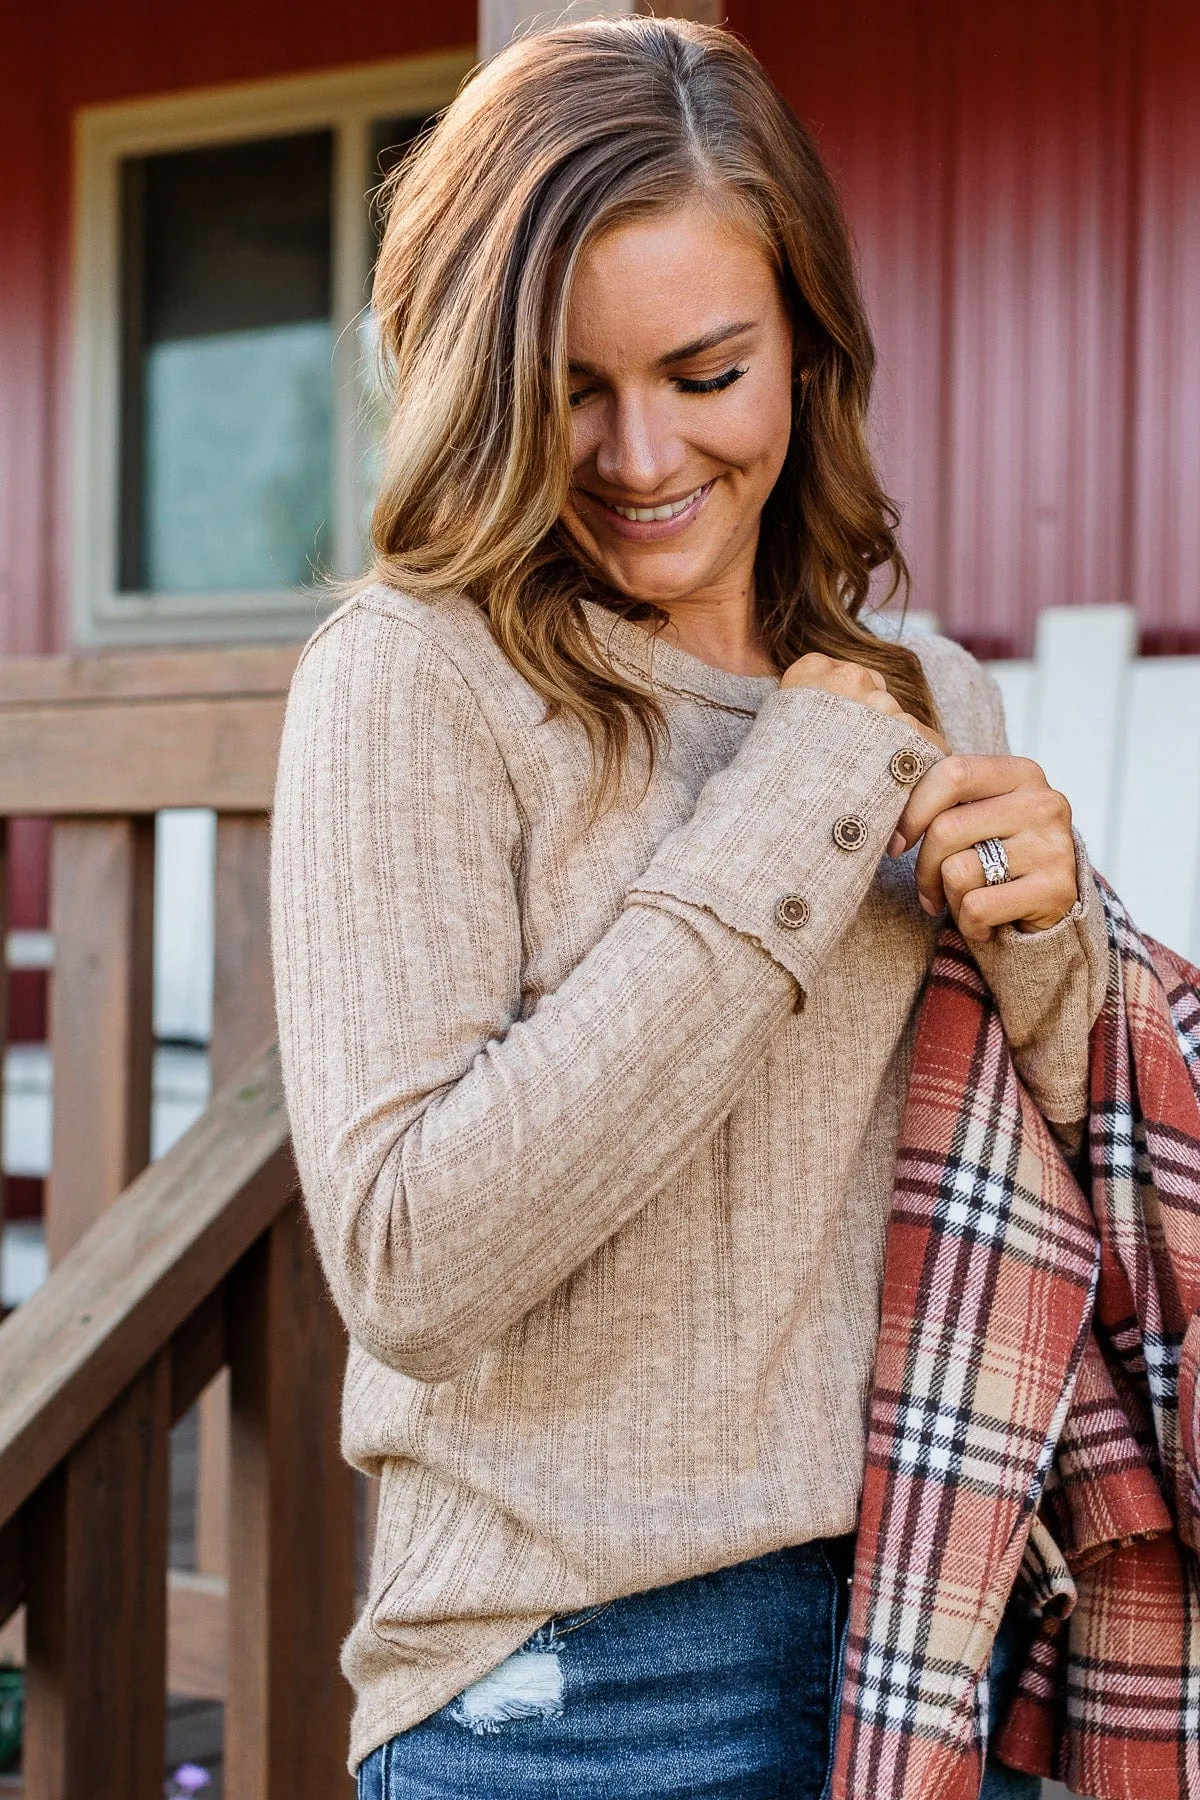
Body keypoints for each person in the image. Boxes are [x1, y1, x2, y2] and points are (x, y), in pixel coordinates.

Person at [270, 18, 1109, 1797]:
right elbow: (413, 1264)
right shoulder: (415, 679)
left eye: (706, 370)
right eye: (571, 386)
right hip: (579, 1691)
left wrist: (1048, 950)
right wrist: (787, 812)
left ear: (807, 347)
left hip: (933, 1630)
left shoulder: (933, 694)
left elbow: (1030, 1176)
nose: (640, 454)